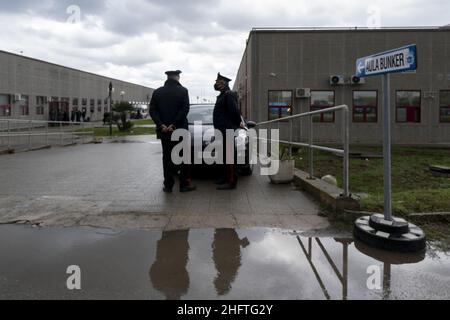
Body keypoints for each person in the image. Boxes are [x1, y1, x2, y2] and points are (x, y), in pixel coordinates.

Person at [150, 70, 196, 193]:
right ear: (177, 77)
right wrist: (174, 124)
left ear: (167, 78)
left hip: (164, 132)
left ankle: (168, 186)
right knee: (183, 158)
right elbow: (184, 110)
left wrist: (161, 125)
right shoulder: (183, 91)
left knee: (167, 158)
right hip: (179, 130)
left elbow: (153, 111)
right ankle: (184, 185)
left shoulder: (157, 92)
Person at [213, 73, 243, 190]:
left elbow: (235, 112)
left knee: (230, 156)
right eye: (216, 82)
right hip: (221, 130)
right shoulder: (222, 95)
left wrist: (237, 124)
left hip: (228, 130)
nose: (216, 84)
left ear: (224, 83)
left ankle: (231, 182)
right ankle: (224, 178)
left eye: (218, 82)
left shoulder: (229, 95)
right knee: (223, 155)